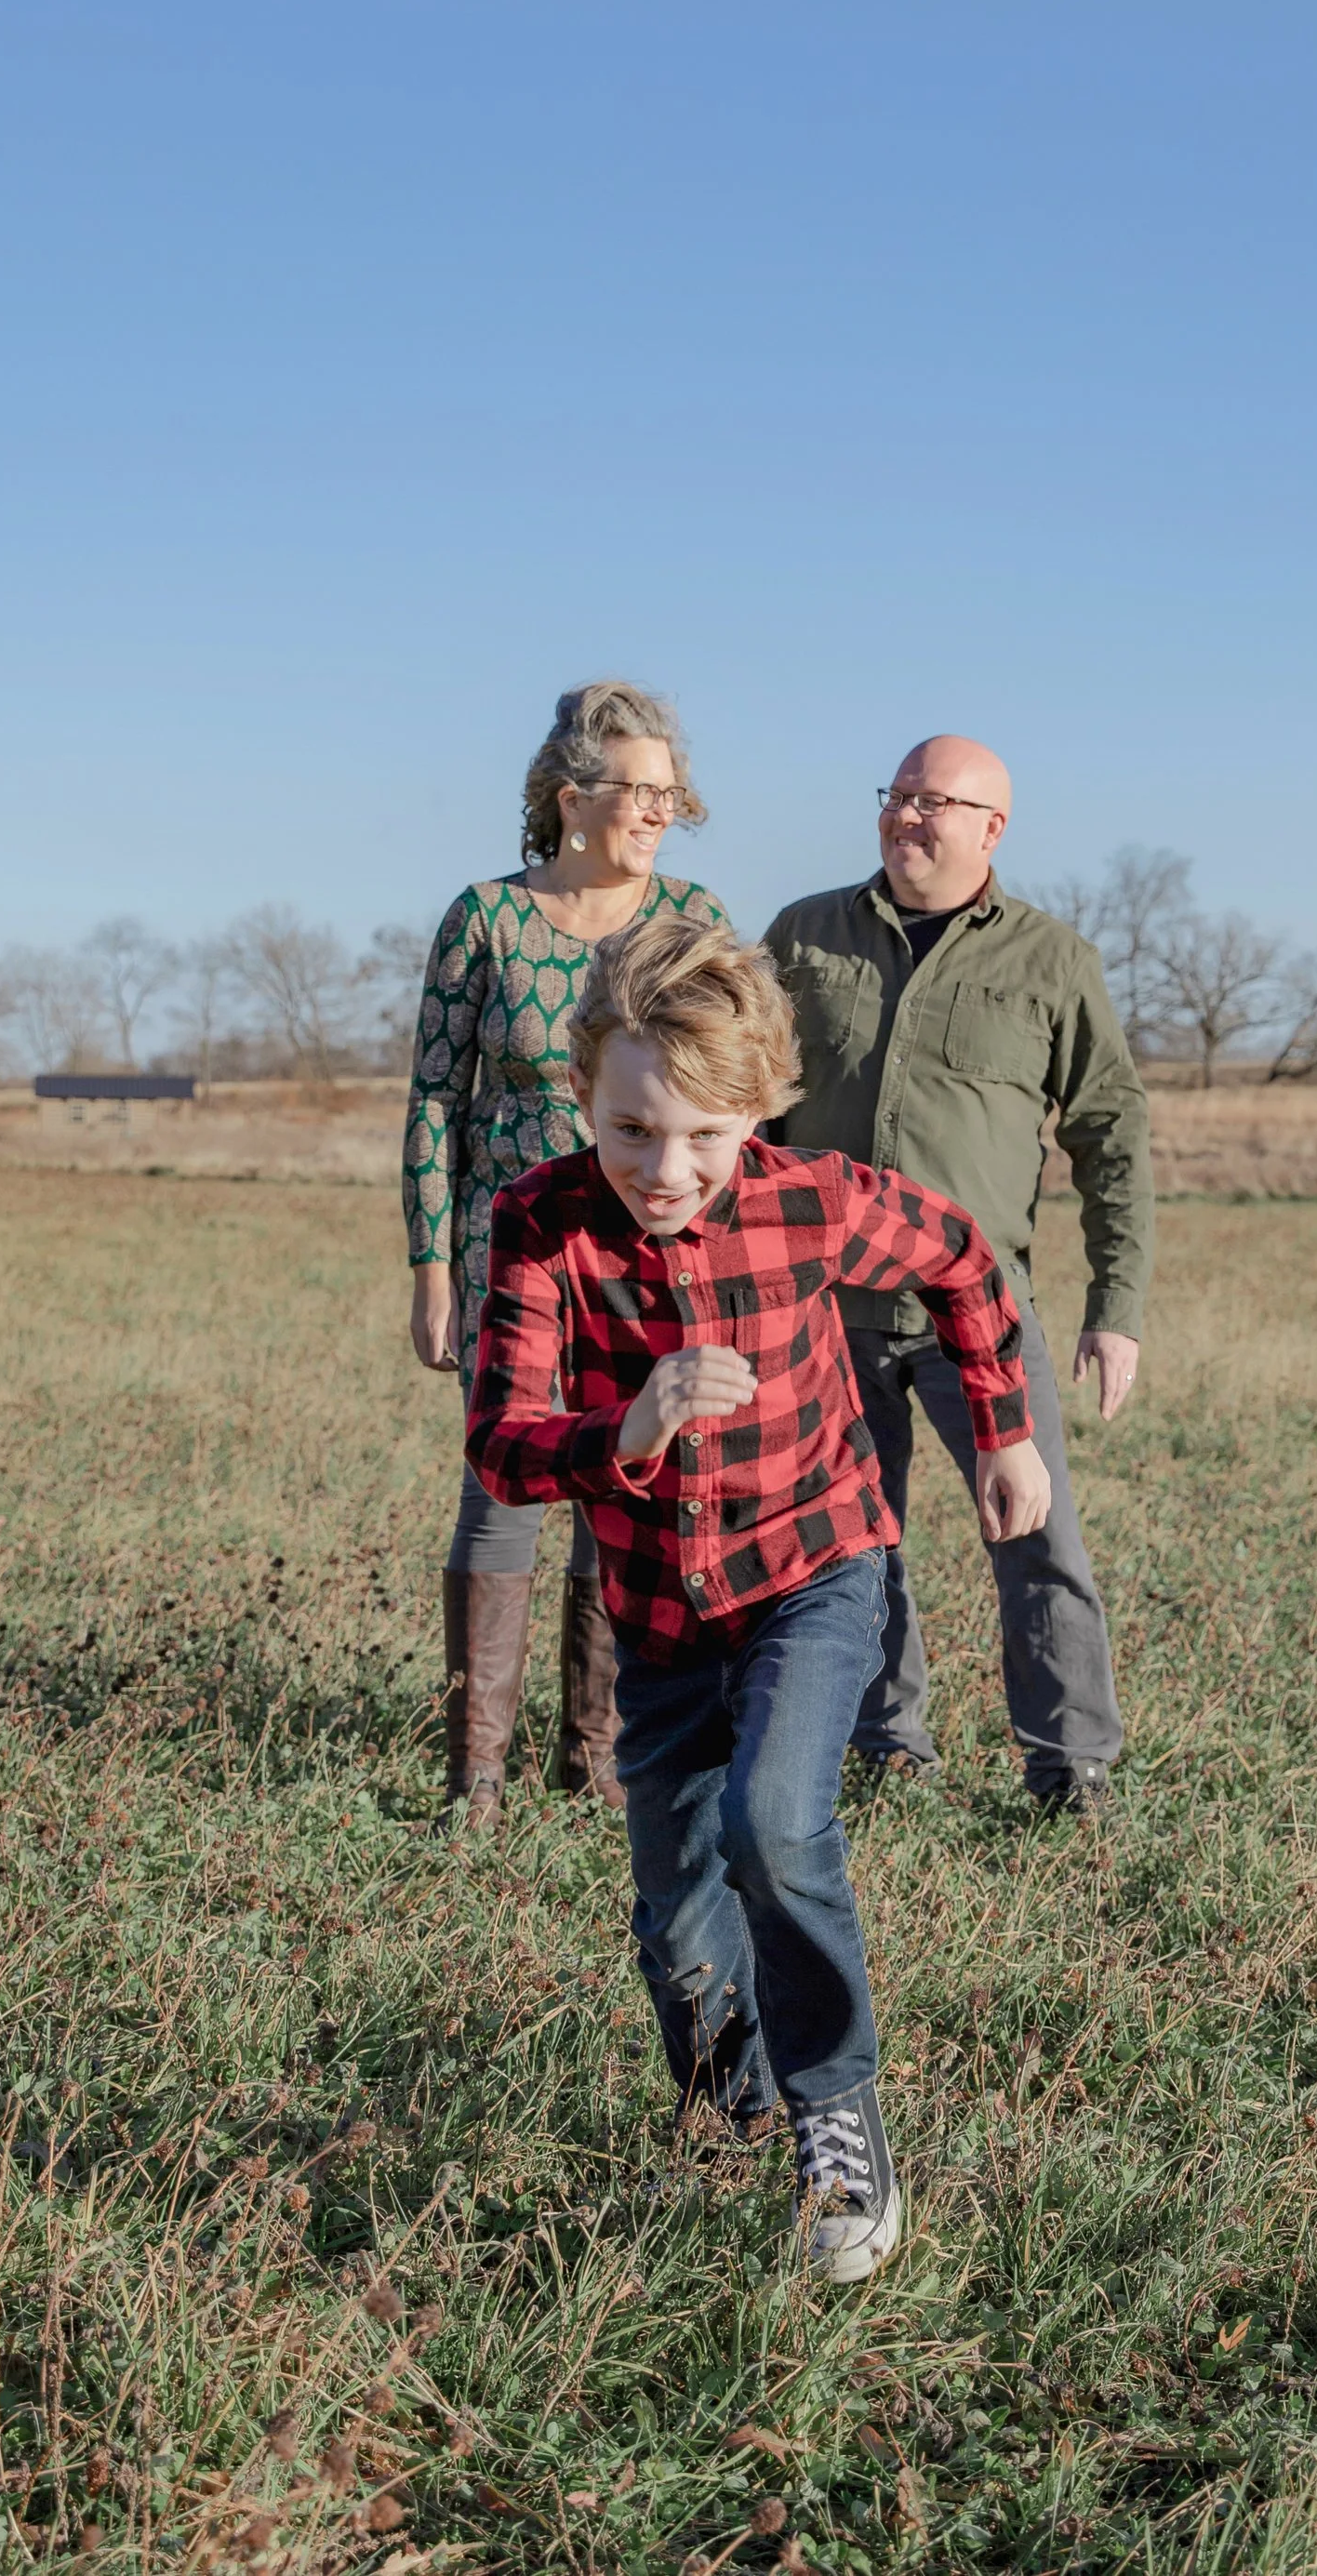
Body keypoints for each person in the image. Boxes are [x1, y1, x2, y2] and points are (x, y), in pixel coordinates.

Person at [467, 910, 1045, 2279]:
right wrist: (626, 1426)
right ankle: (734, 2125)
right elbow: (502, 1441)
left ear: (759, 1111)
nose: (664, 1170)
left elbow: (965, 1260)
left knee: (774, 1822)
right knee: (678, 1924)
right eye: (630, 1131)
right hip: (659, 1620)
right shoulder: (540, 1222)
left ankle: (836, 2111)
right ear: (585, 1091)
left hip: (815, 1569)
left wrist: (1005, 1429)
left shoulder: (814, 1199)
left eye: (704, 1138)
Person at [763, 735, 1151, 1813]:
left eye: (933, 801)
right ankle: (885, 1748)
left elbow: (1110, 1135)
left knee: (1036, 1537)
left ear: (992, 828)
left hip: (978, 1312)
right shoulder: (801, 937)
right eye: (895, 795)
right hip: (823, 1308)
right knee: (854, 1540)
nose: (905, 816)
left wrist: (1114, 1306)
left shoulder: (1051, 961)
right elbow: (742, 1102)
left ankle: (1070, 1766)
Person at [403, 680, 727, 1825]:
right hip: (510, 1252)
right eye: (636, 790)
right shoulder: (485, 919)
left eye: (668, 793)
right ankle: (476, 1779)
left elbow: (728, 1085)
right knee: (503, 1486)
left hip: (645, 1250)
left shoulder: (691, 920)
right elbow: (434, 1102)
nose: (657, 810)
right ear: (569, 796)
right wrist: (432, 1270)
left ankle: (594, 1761)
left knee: (621, 1489)